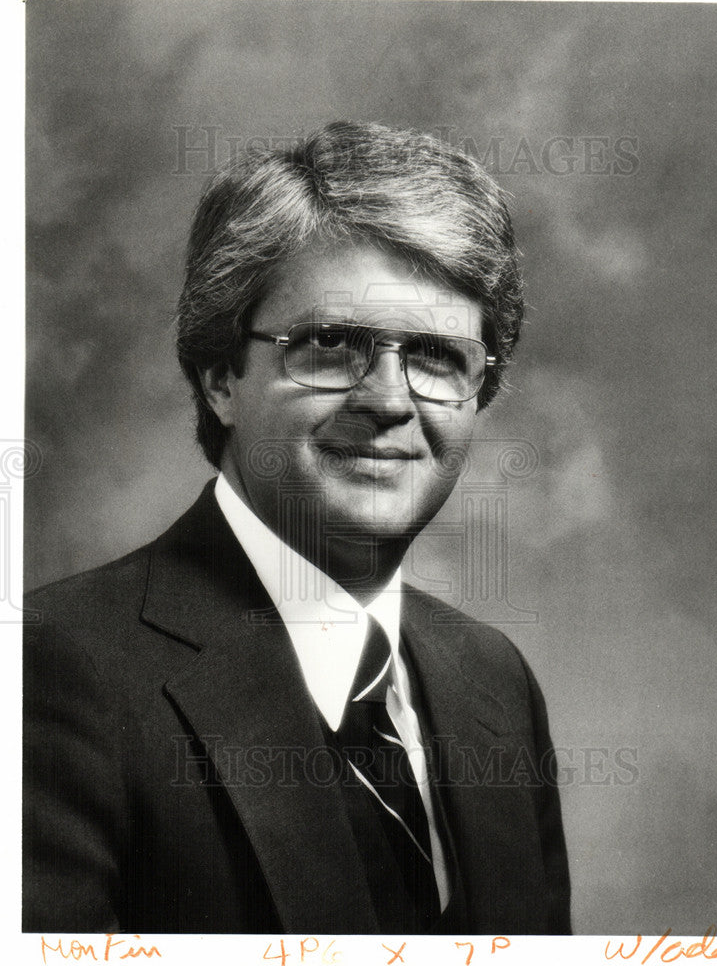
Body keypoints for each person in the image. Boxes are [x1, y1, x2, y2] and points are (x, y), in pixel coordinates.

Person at [23, 121, 571, 935]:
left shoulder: (495, 681)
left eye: (437, 357)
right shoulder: (51, 671)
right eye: (331, 345)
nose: (389, 401)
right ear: (219, 379)